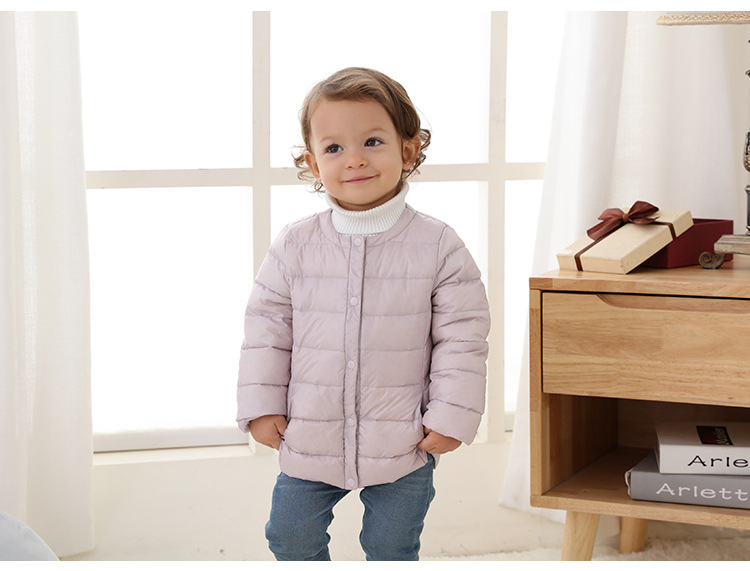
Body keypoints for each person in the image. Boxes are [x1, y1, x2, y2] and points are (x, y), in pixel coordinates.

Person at [236, 67, 490, 561]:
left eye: (372, 141)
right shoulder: (295, 244)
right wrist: (262, 406)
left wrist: (452, 415)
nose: (354, 159)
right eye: (334, 148)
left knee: (391, 546)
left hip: (403, 443)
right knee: (289, 537)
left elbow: (462, 338)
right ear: (313, 162)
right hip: (310, 436)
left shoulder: (438, 245)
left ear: (408, 150)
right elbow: (267, 330)